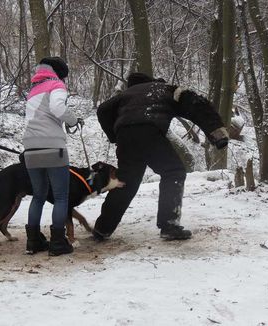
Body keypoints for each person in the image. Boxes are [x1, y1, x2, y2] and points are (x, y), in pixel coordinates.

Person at [93, 72, 229, 241]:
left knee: (126, 181)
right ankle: (169, 225)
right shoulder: (164, 89)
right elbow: (196, 104)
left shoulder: (124, 95)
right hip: (150, 130)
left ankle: (102, 228)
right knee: (174, 172)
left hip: (125, 136)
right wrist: (217, 134)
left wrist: (114, 134)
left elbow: (103, 110)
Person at [22, 56, 81, 256]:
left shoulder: (32, 91)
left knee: (38, 195)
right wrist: (73, 121)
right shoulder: (56, 85)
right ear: (59, 74)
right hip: (52, 146)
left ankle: (33, 241)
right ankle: (57, 242)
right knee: (61, 196)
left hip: (30, 148)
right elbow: (57, 108)